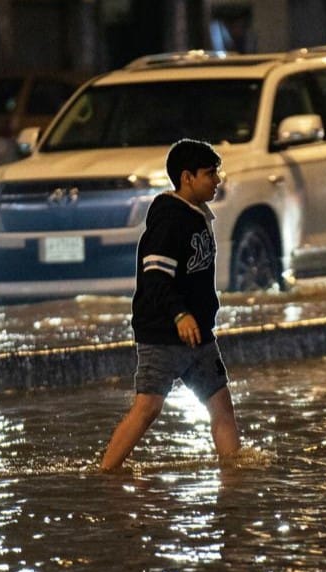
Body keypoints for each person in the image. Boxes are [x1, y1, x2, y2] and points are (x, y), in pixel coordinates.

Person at [100, 139, 241, 471]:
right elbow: (155, 277)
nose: (217, 180)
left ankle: (237, 477)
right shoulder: (169, 220)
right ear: (187, 177)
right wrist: (179, 314)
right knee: (148, 407)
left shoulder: (197, 217)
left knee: (221, 406)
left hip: (199, 337)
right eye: (210, 174)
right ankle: (104, 474)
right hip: (164, 334)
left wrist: (197, 319)